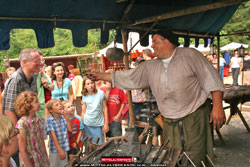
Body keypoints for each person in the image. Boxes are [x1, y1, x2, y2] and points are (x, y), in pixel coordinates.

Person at [87, 30, 225, 167]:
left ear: (167, 41)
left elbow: (212, 79)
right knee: (172, 155)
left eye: (155, 42)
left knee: (196, 154)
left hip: (194, 115)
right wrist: (99, 76)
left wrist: (218, 107)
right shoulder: (151, 66)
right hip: (169, 120)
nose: (152, 46)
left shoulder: (190, 55)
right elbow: (128, 76)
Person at [2, 48, 43, 166]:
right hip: (17, 133)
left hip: (29, 129)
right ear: (24, 62)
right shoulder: (15, 79)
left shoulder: (34, 77)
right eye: (37, 61)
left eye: (40, 60)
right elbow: (9, 111)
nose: (40, 63)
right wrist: (19, 136)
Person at [14, 91, 49, 167]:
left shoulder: (38, 119)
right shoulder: (22, 123)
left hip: (41, 160)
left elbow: (41, 140)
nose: (39, 103)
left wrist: (46, 157)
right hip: (30, 162)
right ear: (28, 105)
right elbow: (22, 150)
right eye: (36, 102)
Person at [81, 77, 109, 144]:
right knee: (88, 144)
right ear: (85, 86)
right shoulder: (84, 96)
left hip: (98, 123)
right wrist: (82, 125)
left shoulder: (101, 93)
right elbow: (83, 112)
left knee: (99, 144)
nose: (91, 85)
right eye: (88, 84)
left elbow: (105, 108)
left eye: (92, 83)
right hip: (87, 123)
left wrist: (106, 123)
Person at [46, 98, 72, 167]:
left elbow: (70, 130)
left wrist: (66, 117)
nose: (60, 106)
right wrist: (59, 150)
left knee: (64, 165)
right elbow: (53, 136)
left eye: (60, 104)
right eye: (56, 105)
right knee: (54, 165)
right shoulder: (49, 121)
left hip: (64, 147)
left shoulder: (63, 118)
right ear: (51, 110)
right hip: (55, 150)